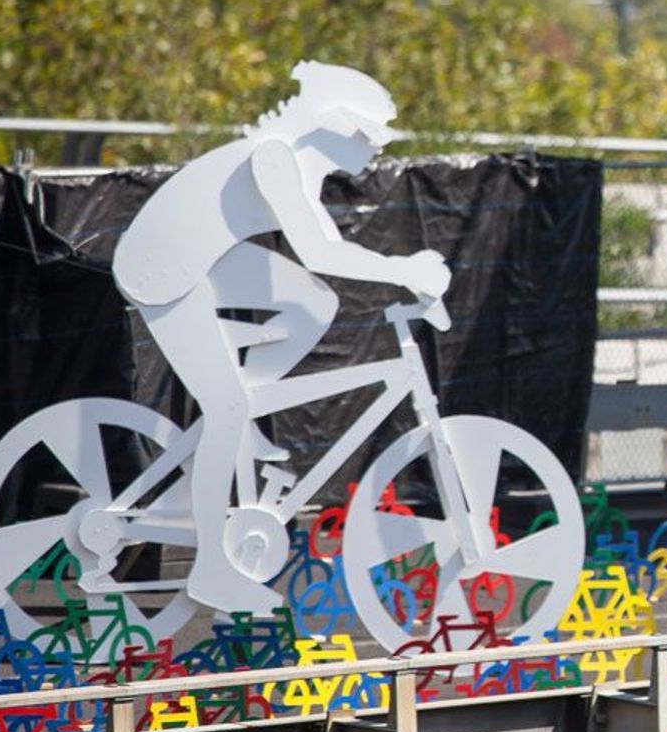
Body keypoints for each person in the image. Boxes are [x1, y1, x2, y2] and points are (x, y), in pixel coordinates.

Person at [111, 61, 450, 614]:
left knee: (314, 305)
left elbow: (327, 250)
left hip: (200, 258)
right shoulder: (274, 158)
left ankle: (241, 409)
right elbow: (320, 253)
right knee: (226, 409)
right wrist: (403, 269)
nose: (375, 152)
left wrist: (403, 272)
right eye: (368, 138)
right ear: (334, 126)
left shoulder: (299, 167)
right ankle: (210, 570)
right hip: (162, 268)